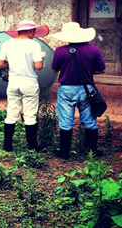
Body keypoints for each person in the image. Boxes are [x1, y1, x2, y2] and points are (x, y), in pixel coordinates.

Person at [48, 22, 106, 158]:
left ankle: (64, 153)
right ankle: (92, 151)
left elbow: (54, 69)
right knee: (89, 120)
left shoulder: (60, 51)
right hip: (87, 89)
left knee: (66, 121)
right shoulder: (94, 50)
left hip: (67, 89)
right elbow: (101, 69)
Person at [0, 20, 47, 152]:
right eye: (34, 32)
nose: (34, 35)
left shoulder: (8, 44)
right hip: (29, 83)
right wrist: (42, 59)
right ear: (30, 31)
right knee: (30, 115)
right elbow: (38, 66)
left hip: (13, 83)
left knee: (11, 113)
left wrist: (10, 64)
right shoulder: (34, 45)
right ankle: (32, 146)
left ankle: (7, 145)